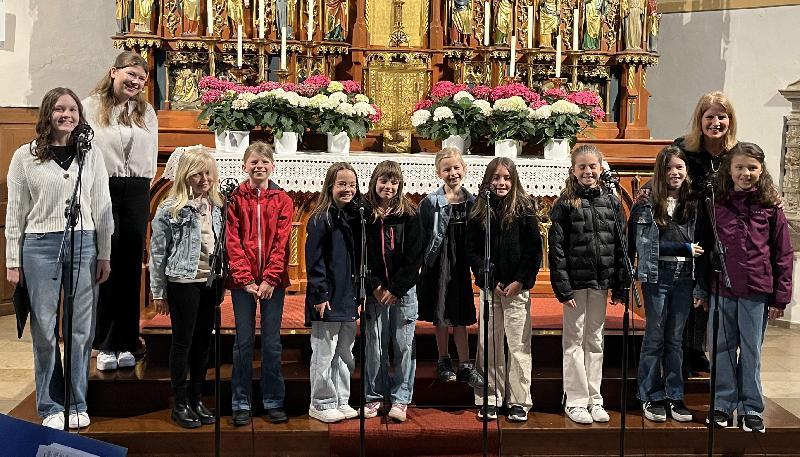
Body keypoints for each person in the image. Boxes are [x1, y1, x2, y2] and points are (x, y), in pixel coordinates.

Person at [5, 87, 114, 429]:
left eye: (73, 110)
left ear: (80, 116)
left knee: (81, 330)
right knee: (45, 329)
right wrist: (12, 259)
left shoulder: (90, 154)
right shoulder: (25, 156)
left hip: (84, 243)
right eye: (60, 109)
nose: (67, 115)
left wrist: (105, 253)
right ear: (47, 114)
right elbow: (15, 212)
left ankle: (78, 401)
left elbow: (102, 204)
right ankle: (51, 405)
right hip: (39, 245)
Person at [705, 142, 793, 433]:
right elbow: (706, 249)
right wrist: (703, 289)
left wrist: (781, 298)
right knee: (722, 348)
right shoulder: (716, 204)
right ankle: (721, 404)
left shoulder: (770, 206)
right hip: (722, 289)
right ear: (729, 170)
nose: (746, 173)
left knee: (752, 351)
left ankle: (751, 408)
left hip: (757, 290)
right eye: (740, 167)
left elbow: (783, 254)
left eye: (752, 168)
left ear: (761, 170)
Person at [83, 50, 158, 372]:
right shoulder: (89, 107)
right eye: (131, 74)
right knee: (105, 261)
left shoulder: (146, 111)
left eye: (141, 78)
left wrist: (141, 186)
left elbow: (151, 152)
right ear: (114, 72)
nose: (136, 82)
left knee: (129, 263)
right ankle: (104, 341)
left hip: (137, 189)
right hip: (103, 187)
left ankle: (127, 338)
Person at [549, 144, 627, 425]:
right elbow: (556, 249)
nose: (588, 171)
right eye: (582, 166)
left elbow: (621, 244)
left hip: (601, 281)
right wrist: (563, 287)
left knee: (595, 340)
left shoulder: (611, 201)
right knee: (574, 340)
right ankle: (576, 399)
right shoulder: (564, 203)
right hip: (575, 283)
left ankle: (595, 398)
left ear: (601, 167)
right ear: (573, 170)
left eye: (592, 166)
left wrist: (620, 284)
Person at [629, 146, 705, 423]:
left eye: (680, 168)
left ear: (686, 171)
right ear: (660, 172)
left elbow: (702, 244)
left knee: (675, 341)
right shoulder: (647, 202)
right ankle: (651, 395)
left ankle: (675, 395)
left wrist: (699, 285)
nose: (674, 173)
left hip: (685, 277)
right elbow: (644, 244)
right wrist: (683, 247)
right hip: (657, 275)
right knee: (654, 338)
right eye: (669, 168)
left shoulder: (694, 202)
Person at [149, 147, 224, 429]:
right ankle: (179, 402)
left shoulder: (217, 204)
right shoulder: (170, 208)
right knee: (184, 341)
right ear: (185, 175)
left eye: (208, 173)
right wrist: (159, 292)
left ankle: (196, 398)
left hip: (210, 281)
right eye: (197, 174)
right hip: (183, 282)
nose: (204, 179)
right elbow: (157, 252)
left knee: (204, 342)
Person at [466, 157, 542, 422]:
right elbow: (473, 250)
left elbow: (534, 250)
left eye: (506, 178)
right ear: (488, 180)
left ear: (514, 180)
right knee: (489, 344)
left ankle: (519, 400)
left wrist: (520, 280)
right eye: (496, 178)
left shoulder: (524, 208)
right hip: (491, 287)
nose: (501, 183)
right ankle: (490, 396)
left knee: (518, 344)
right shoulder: (480, 209)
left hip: (517, 289)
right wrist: (490, 278)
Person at [226, 142, 294, 426]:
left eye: (264, 163)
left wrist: (269, 278)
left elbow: (282, 242)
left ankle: (273, 400)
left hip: (272, 283)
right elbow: (232, 240)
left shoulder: (283, 200)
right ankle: (241, 402)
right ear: (244, 166)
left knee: (271, 343)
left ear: (273, 167)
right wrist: (244, 279)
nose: (259, 167)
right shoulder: (234, 199)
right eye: (254, 162)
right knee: (243, 344)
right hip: (243, 283)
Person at [361, 161, 424, 423]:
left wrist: (396, 288)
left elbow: (416, 256)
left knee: (403, 345)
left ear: (400, 185)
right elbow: (361, 253)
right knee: (375, 346)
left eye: (393, 182)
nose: (388, 187)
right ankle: (374, 396)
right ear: (374, 182)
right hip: (375, 291)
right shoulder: (364, 213)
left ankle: (400, 399)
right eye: (383, 181)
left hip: (403, 292)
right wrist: (375, 285)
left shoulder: (409, 214)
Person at [418, 148, 484, 391]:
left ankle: (465, 364)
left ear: (464, 170)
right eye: (447, 169)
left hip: (461, 264)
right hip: (438, 262)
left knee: (462, 311)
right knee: (442, 312)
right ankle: (444, 359)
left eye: (456, 168)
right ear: (438, 173)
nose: (452, 173)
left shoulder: (473, 202)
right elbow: (423, 236)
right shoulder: (430, 202)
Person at [305, 163, 361, 423]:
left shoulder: (354, 216)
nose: (348, 189)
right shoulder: (321, 217)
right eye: (342, 184)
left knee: (345, 351)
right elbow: (314, 260)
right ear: (330, 186)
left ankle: (341, 398)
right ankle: (321, 402)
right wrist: (320, 293)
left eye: (352, 184)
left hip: (347, 295)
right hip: (326, 296)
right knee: (324, 351)